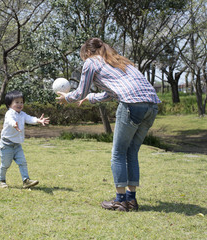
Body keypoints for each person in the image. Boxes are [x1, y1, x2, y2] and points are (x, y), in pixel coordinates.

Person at [56, 38, 161, 211]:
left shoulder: (91, 62)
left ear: (88, 53)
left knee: (118, 153)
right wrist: (89, 98)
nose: (85, 60)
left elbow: (81, 90)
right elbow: (110, 94)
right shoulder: (120, 61)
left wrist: (67, 98)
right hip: (151, 105)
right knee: (132, 151)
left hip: (131, 105)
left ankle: (120, 200)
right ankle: (131, 200)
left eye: (84, 57)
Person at [0, 90, 50, 189]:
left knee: (22, 162)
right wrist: (14, 124)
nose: (20, 104)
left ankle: (26, 180)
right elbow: (9, 120)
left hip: (17, 145)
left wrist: (38, 120)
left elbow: (30, 118)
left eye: (21, 102)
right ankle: (1, 180)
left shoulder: (22, 114)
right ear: (9, 104)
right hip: (6, 144)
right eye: (16, 102)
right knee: (5, 164)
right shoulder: (10, 113)